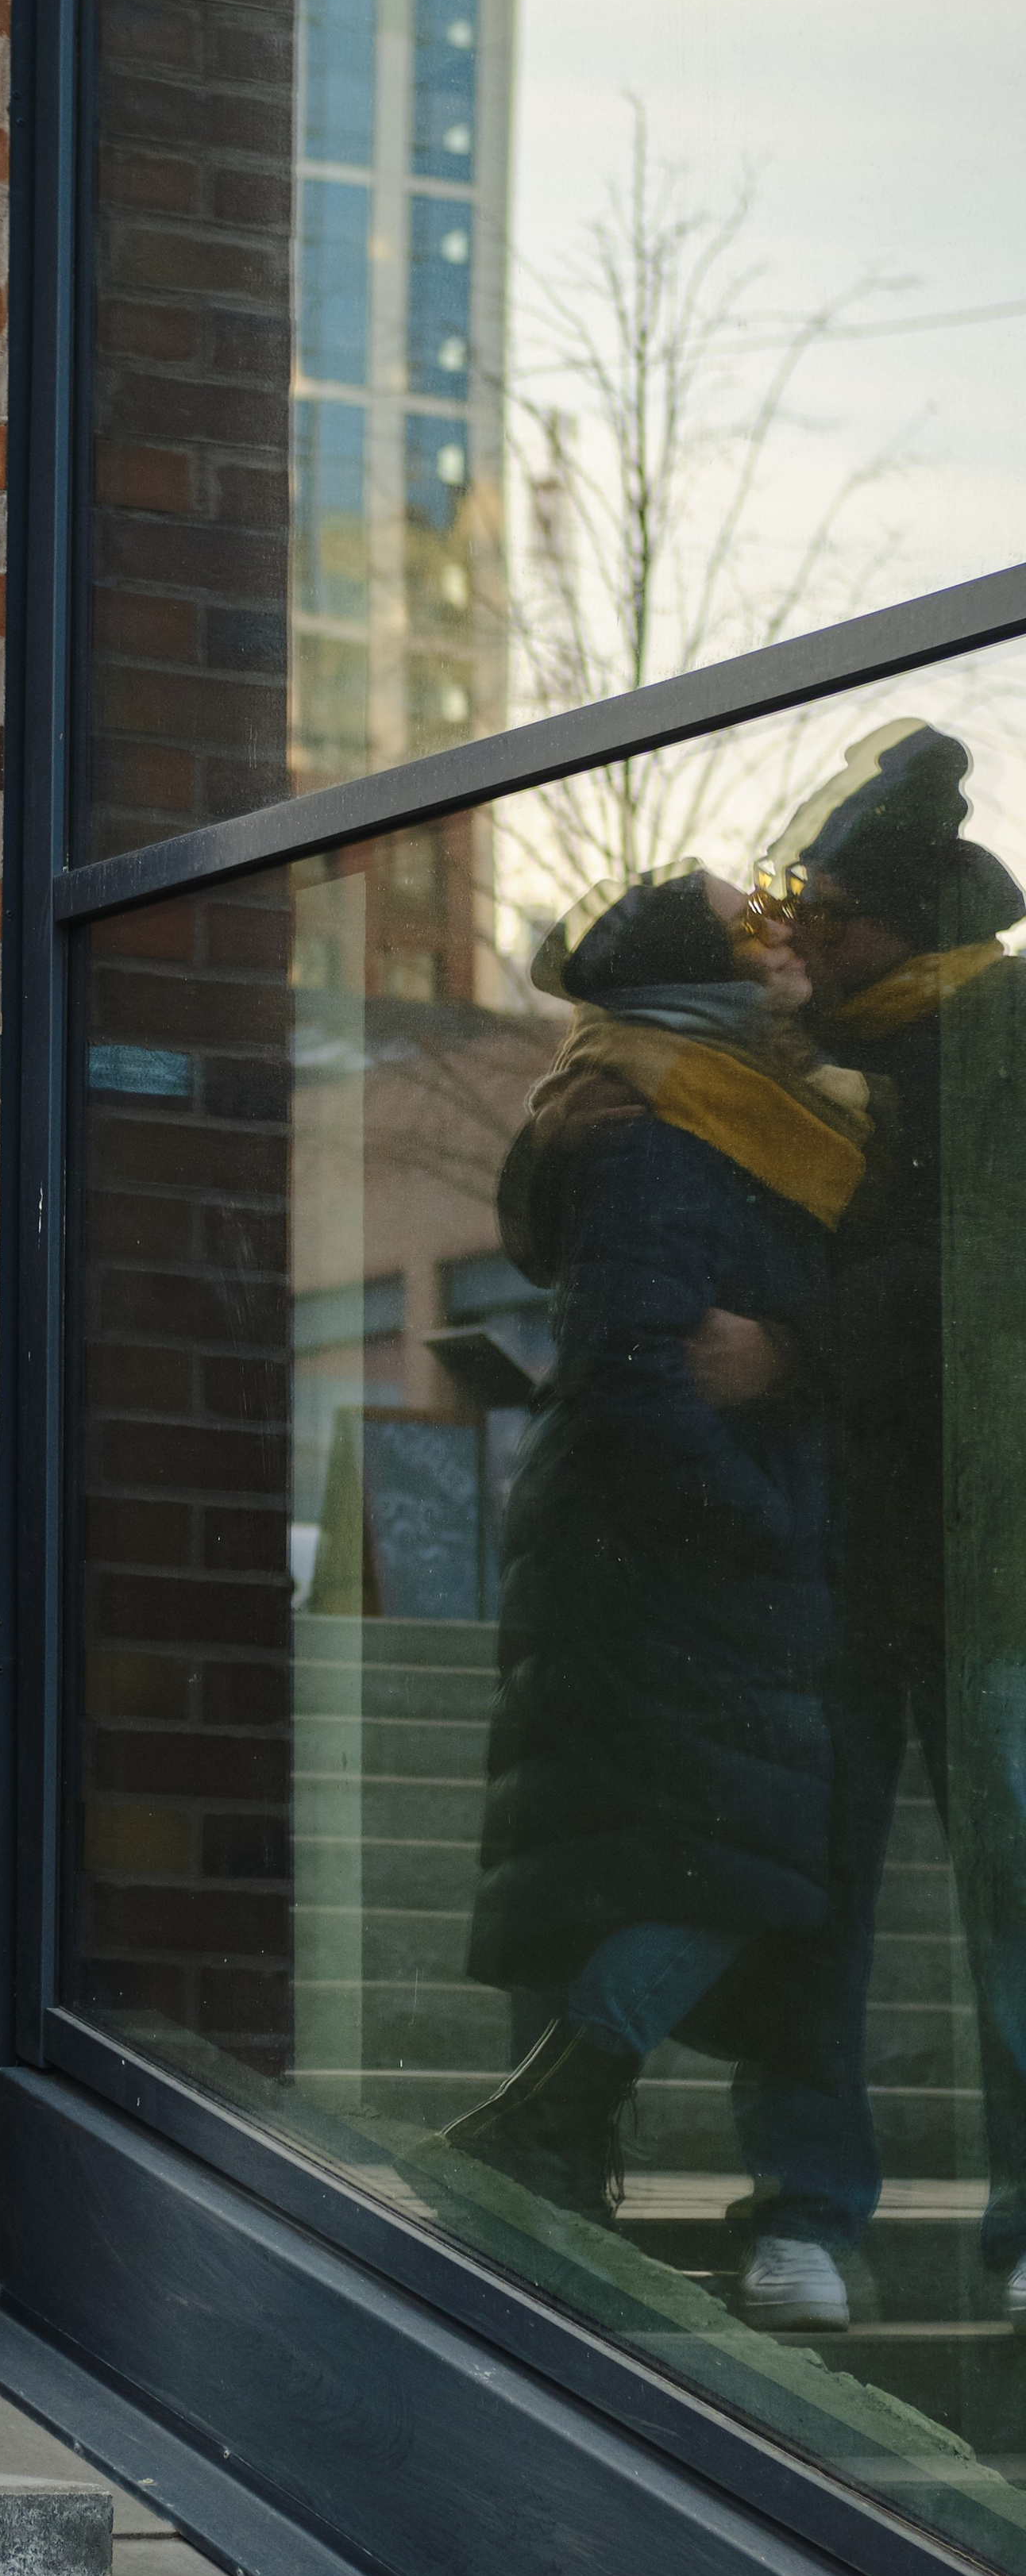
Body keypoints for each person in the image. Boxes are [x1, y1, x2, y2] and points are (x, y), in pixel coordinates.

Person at [442, 864, 870, 2222]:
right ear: (705, 979)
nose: (782, 950)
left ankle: (553, 2135)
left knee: (662, 1856)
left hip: (643, 1554)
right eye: (755, 934)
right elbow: (635, 1363)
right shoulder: (667, 1119)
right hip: (675, 1562)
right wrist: (758, 1522)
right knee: (745, 1859)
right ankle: (552, 2120)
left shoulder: (681, 1100)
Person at [727, 721, 1026, 2329]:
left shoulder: (997, 1038)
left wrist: (802, 1345)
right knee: (805, 1894)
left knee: (1013, 1899)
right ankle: (800, 2209)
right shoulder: (784, 1061)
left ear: (891, 926)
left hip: (984, 1560)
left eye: (823, 917)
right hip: (829, 1557)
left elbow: (983, 1280)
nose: (799, 943)